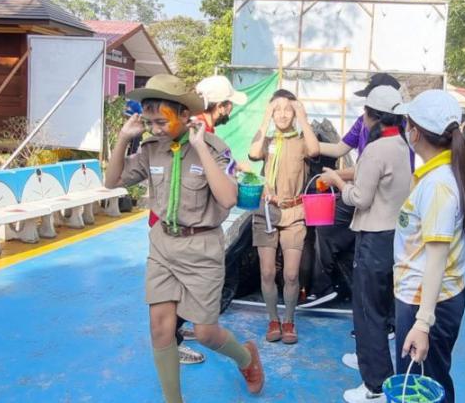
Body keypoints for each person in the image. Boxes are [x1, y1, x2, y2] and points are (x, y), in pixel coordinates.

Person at [105, 74, 264, 402]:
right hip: (163, 245)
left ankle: (246, 358)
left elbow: (228, 198)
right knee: (160, 328)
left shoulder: (214, 148)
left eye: (161, 121)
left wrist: (200, 147)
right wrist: (123, 138)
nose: (155, 129)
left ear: (184, 114)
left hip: (201, 250)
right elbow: (112, 181)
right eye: (149, 122)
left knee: (205, 333)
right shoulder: (151, 149)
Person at [138, 75, 250, 365]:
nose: (229, 110)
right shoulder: (188, 130)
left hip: (190, 236)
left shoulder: (206, 137)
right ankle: (172, 343)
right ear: (220, 105)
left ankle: (179, 337)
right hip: (171, 230)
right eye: (228, 104)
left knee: (203, 328)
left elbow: (221, 184)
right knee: (164, 319)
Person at [319, 85, 412, 403]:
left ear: (373, 116)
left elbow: (360, 198)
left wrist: (337, 182)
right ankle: (371, 363)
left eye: (365, 112)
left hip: (374, 238)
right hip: (393, 236)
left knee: (367, 312)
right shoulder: (401, 143)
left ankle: (375, 386)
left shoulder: (376, 149)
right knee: (380, 308)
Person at [391, 90, 465, 403]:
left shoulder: (438, 184)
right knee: (431, 381)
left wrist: (423, 323)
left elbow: (436, 259)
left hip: (426, 302)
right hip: (430, 297)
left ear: (415, 132)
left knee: (422, 389)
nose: (405, 129)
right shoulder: (442, 175)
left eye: (407, 123)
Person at [248, 89, 320, 344]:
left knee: (290, 274)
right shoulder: (266, 141)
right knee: (267, 272)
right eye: (276, 109)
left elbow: (315, 150)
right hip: (266, 212)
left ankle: (289, 320)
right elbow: (253, 153)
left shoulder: (301, 141)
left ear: (295, 111)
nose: (281, 114)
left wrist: (302, 116)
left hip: (294, 213)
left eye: (287, 109)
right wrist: (265, 117)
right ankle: (273, 319)